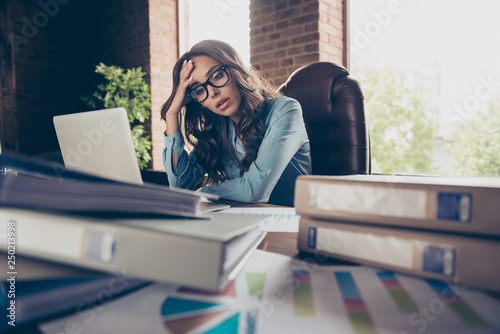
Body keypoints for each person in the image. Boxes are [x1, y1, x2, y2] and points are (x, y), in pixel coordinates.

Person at [160, 40, 311, 206]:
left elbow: (254, 189)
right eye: (199, 90)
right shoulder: (219, 129)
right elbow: (180, 187)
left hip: (293, 223)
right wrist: (172, 114)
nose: (212, 92)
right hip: (246, 220)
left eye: (217, 76)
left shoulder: (285, 110)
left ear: (236, 69)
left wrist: (205, 191)